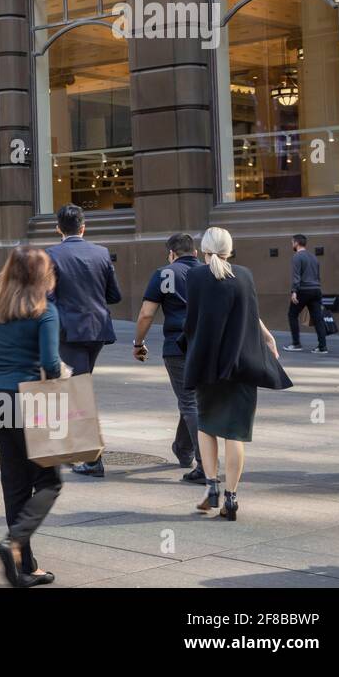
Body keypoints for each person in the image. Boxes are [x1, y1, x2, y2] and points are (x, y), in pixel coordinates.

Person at [0, 245, 65, 588]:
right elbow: (51, 364)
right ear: (43, 276)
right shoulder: (46, 312)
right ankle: (13, 542)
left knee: (15, 483)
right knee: (50, 482)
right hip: (31, 401)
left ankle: (26, 566)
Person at [178, 227, 292, 521]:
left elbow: (193, 321)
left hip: (208, 363)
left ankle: (211, 487)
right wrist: (268, 337)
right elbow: (250, 314)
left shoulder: (195, 277)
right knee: (235, 433)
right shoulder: (244, 275)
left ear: (203, 250)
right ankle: (231, 497)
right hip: (242, 362)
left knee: (206, 425)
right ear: (230, 250)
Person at [46, 203, 121, 477]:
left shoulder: (52, 255)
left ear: (58, 228)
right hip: (98, 330)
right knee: (80, 387)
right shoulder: (101, 253)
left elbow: (48, 297)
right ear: (83, 227)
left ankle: (93, 459)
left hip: (70, 331)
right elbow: (114, 295)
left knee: (78, 392)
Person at [133, 233, 205, 484]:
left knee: (189, 402)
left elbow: (146, 314)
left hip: (177, 345)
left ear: (172, 254)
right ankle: (183, 450)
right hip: (207, 346)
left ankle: (205, 464)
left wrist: (138, 344)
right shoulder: (207, 271)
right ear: (195, 253)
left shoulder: (165, 273)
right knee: (193, 399)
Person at [286, 234, 328, 354]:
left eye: (292, 242)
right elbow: (318, 276)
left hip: (303, 290)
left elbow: (296, 276)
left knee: (292, 315)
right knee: (318, 318)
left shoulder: (297, 257)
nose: (292, 244)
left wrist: (294, 291)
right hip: (316, 290)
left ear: (296, 243)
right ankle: (322, 347)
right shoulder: (314, 257)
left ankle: (296, 344)